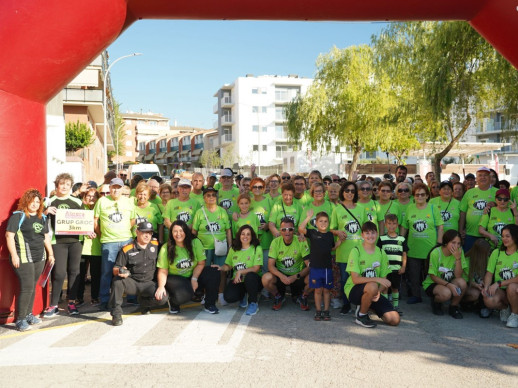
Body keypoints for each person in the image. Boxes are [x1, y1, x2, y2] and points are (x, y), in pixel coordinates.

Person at [6, 189, 54, 331]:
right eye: (32, 201)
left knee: (32, 287)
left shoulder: (42, 218)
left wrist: (50, 254)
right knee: (27, 288)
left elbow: (46, 237)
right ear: (26, 201)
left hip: (39, 257)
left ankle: (28, 314)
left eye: (37, 202)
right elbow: (9, 236)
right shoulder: (18, 216)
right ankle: (20, 320)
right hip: (23, 257)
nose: (34, 204)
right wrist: (14, 255)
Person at [154, 220, 220, 314]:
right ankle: (173, 302)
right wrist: (161, 287)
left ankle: (210, 304)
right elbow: (163, 271)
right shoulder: (166, 247)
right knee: (186, 295)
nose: (178, 234)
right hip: (176, 279)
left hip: (192, 275)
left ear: (186, 231)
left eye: (181, 231)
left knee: (213, 271)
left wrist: (194, 278)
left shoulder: (195, 242)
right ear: (171, 233)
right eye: (175, 231)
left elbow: (201, 263)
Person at [344, 222, 400, 328]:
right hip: (354, 290)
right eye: (367, 233)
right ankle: (361, 316)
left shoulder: (381, 253)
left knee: (394, 319)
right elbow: (355, 279)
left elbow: (384, 279)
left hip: (374, 291)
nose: (370, 236)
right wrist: (377, 280)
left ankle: (368, 305)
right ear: (362, 235)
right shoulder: (356, 251)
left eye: (373, 233)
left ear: (377, 234)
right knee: (373, 285)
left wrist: (378, 292)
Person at [44, 173, 85, 317]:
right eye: (62, 184)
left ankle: (71, 302)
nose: (64, 187)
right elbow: (38, 218)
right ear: (57, 185)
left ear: (70, 186)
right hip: (58, 242)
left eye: (67, 184)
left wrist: (89, 231)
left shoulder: (77, 202)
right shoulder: (50, 201)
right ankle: (53, 305)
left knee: (74, 272)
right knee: (59, 273)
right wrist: (45, 212)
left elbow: (85, 220)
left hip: (75, 241)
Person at [93, 177, 136, 311]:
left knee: (128, 270)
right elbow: (95, 221)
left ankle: (131, 296)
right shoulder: (102, 201)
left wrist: (123, 230)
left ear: (123, 189)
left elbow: (133, 219)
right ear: (109, 188)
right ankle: (105, 300)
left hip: (126, 240)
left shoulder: (129, 202)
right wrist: (103, 235)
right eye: (113, 187)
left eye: (119, 187)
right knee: (106, 272)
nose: (116, 190)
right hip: (108, 242)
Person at [109, 222, 160, 326]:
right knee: (117, 282)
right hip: (133, 283)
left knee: (163, 298)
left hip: (149, 283)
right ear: (137, 232)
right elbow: (115, 268)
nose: (147, 236)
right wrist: (121, 271)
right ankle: (116, 314)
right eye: (144, 232)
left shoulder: (156, 245)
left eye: (150, 233)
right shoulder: (127, 248)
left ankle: (144, 303)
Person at [401, 183, 444, 304]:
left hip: (430, 248)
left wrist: (439, 244)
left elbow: (440, 226)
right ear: (413, 196)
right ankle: (416, 295)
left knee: (431, 274)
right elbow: (405, 226)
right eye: (417, 194)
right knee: (414, 274)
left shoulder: (433, 208)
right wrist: (400, 241)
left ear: (427, 195)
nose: (420, 197)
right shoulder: (410, 208)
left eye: (422, 194)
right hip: (413, 248)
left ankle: (434, 295)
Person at [330, 181, 366, 314]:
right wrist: (337, 232)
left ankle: (358, 303)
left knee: (359, 278)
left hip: (359, 250)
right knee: (345, 279)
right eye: (347, 190)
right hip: (344, 250)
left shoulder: (361, 208)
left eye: (352, 191)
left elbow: (365, 229)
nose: (349, 193)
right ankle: (346, 303)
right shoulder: (337, 209)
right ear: (342, 192)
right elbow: (331, 228)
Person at [192, 187, 232, 305]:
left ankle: (220, 294)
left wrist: (229, 245)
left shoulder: (222, 212)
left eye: (213, 195)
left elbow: (228, 230)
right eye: (208, 195)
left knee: (222, 271)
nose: (211, 197)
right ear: (204, 198)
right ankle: (206, 294)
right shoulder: (200, 212)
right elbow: (194, 232)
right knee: (205, 272)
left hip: (220, 247)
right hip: (204, 248)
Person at [262, 217, 310, 311]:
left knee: (315, 277)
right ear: (280, 231)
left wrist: (296, 276)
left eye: (290, 229)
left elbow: (309, 266)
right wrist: (282, 276)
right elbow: (270, 266)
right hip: (281, 276)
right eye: (284, 229)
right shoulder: (275, 242)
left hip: (297, 276)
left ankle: (302, 296)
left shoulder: (301, 241)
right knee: (266, 278)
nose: (287, 232)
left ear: (294, 230)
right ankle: (278, 296)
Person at [299, 210, 340, 321]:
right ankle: (318, 311)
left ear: (328, 223)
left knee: (326, 291)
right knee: (317, 290)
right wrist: (308, 217)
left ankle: (326, 311)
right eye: (320, 221)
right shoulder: (313, 233)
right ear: (316, 223)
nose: (323, 223)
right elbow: (301, 229)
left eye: (326, 221)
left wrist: (340, 241)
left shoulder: (330, 235)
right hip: (315, 268)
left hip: (327, 268)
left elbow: (331, 248)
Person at [218, 225, 263, 315]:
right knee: (229, 297)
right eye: (243, 234)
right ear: (239, 235)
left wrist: (240, 271)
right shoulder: (233, 249)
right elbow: (229, 265)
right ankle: (243, 295)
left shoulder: (256, 248)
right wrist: (221, 268)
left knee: (250, 276)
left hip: (254, 281)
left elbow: (256, 268)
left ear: (252, 236)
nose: (245, 236)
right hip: (238, 280)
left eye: (248, 234)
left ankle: (253, 303)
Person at [422, 230, 468, 318]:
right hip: (433, 282)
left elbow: (458, 276)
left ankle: (453, 307)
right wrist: (448, 285)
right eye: (453, 243)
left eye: (458, 243)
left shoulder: (459, 252)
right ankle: (436, 302)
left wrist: (458, 259)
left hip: (450, 281)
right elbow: (432, 276)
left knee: (462, 282)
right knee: (446, 293)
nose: (456, 246)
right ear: (446, 242)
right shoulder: (436, 253)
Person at [482, 224, 518, 328]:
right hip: (501, 291)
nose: (504, 239)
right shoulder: (496, 253)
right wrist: (486, 287)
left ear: (515, 236)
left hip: (514, 289)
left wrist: (499, 283)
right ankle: (505, 308)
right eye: (502, 236)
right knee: (488, 299)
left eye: (508, 236)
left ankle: (515, 315)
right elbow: (489, 273)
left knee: (511, 287)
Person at [459, 167, 498, 251]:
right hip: (470, 234)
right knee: (469, 260)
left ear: (490, 178)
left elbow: (504, 208)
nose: (483, 177)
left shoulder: (497, 192)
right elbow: (463, 212)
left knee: (486, 261)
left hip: (489, 235)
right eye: (480, 175)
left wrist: (495, 205)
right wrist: (461, 230)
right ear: (476, 178)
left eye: (485, 175)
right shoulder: (469, 192)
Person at [377, 214, 408, 315]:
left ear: (397, 225)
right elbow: (378, 253)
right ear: (385, 225)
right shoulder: (382, 239)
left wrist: (403, 266)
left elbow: (404, 254)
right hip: (385, 270)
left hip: (397, 269)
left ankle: (395, 306)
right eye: (389, 224)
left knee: (395, 288)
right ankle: (386, 307)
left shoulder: (401, 239)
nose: (392, 226)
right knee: (384, 288)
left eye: (394, 224)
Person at [77, 188, 101, 306]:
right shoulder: (80, 208)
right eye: (89, 196)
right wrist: (85, 231)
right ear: (85, 197)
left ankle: (95, 297)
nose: (91, 198)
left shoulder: (100, 209)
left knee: (95, 274)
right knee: (80, 274)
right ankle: (79, 297)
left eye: (94, 196)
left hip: (96, 246)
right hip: (82, 246)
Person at [463, 238, 492, 318]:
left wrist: (485, 284)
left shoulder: (488, 259)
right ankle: (463, 302)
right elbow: (466, 279)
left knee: (485, 290)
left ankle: (484, 307)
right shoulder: (467, 260)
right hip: (470, 286)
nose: (488, 253)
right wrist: (476, 285)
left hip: (482, 284)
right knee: (476, 294)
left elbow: (489, 274)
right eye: (487, 252)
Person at [249, 177, 273, 273]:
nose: (257, 189)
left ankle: (265, 288)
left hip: (266, 241)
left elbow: (275, 218)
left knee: (266, 269)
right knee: (253, 268)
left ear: (264, 188)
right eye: (255, 187)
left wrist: (268, 225)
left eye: (260, 187)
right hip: (252, 242)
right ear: (251, 188)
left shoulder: (269, 201)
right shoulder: (249, 202)